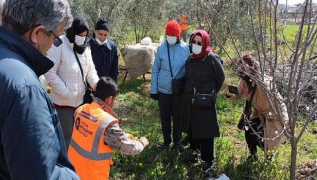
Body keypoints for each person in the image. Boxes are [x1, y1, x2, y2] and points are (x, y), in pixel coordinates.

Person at [0, 0, 79, 179]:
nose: (53, 45)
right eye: (56, 39)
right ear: (36, 34)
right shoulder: (24, 88)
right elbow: (40, 174)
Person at [68, 76, 149, 180]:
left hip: (72, 171)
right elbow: (128, 148)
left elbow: (92, 137)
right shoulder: (107, 123)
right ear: (110, 99)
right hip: (92, 174)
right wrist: (141, 143)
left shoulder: (81, 109)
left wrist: (123, 135)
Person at [45, 16, 99, 149]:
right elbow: (49, 72)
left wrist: (96, 84)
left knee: (78, 135)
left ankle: (74, 163)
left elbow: (90, 70)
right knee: (65, 135)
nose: (82, 37)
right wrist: (65, 92)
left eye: (85, 35)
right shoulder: (59, 44)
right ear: (72, 32)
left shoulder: (85, 48)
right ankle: (63, 165)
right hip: (62, 103)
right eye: (80, 34)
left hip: (80, 102)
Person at [225, 53, 288, 160]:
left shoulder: (265, 83)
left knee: (266, 141)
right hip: (259, 115)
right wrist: (229, 94)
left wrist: (286, 121)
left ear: (252, 67)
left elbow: (280, 102)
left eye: (244, 69)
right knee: (249, 129)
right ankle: (253, 156)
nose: (242, 72)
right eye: (240, 70)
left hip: (273, 118)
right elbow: (239, 95)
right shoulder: (244, 81)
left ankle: (270, 156)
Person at [181, 30, 225, 173]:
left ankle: (208, 160)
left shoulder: (211, 58)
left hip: (205, 101)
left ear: (205, 43)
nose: (196, 45)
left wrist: (211, 92)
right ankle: (195, 152)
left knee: (206, 131)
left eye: (200, 43)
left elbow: (221, 78)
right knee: (193, 127)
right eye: (194, 42)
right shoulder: (191, 59)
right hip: (191, 101)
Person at [150, 20, 190, 151]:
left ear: (178, 36)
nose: (170, 37)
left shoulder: (185, 49)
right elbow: (155, 70)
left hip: (178, 90)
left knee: (178, 117)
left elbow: (189, 69)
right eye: (168, 35)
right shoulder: (161, 48)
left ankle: (177, 142)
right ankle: (166, 142)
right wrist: (154, 89)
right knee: (165, 117)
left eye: (173, 35)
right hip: (163, 90)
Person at [89, 18, 119, 82]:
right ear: (95, 31)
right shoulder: (88, 45)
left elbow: (115, 69)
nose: (102, 37)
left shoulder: (112, 46)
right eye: (100, 34)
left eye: (105, 35)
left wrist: (112, 85)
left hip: (107, 86)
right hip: (91, 86)